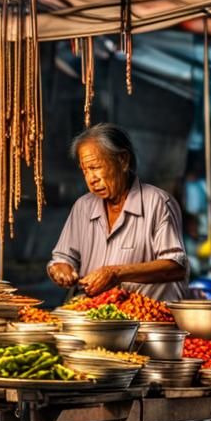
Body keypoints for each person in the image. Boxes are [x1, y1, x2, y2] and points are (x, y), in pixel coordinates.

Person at [48, 123, 189, 300]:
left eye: (95, 167)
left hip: (146, 320)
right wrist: (61, 268)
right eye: (85, 171)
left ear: (123, 160)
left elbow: (175, 267)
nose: (91, 179)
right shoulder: (83, 207)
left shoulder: (157, 202)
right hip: (95, 316)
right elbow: (63, 258)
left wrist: (116, 272)